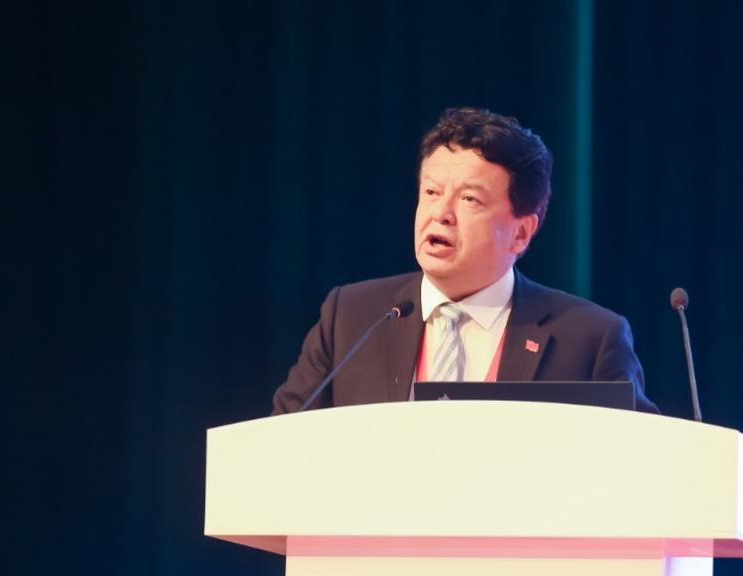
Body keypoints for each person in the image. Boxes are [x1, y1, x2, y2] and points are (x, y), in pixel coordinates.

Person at [272, 107, 659, 414]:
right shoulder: (350, 318)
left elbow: (640, 464)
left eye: (469, 199)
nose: (441, 213)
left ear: (522, 232)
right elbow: (281, 441)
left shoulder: (589, 339)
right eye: (431, 192)